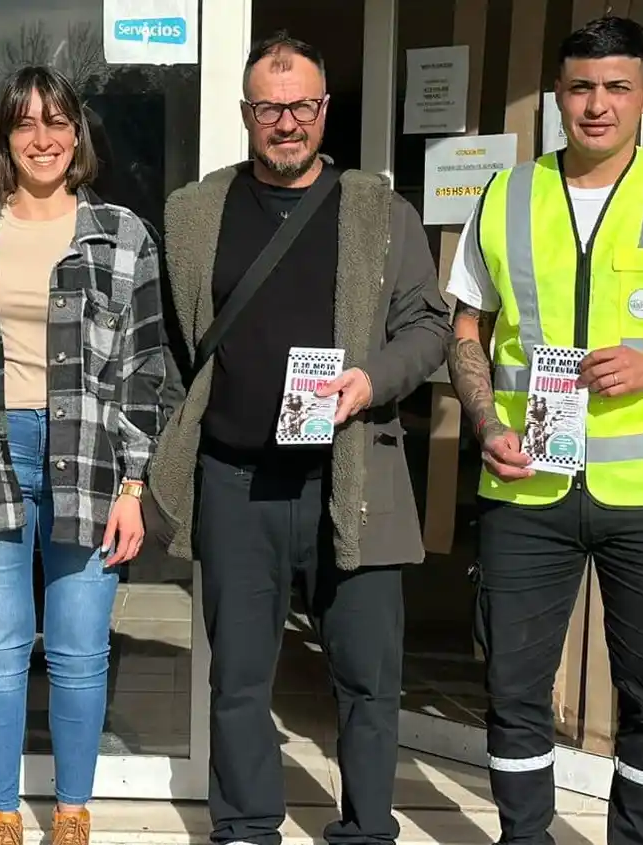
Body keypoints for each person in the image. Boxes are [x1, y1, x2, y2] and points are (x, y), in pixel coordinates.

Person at [444, 16, 643, 845]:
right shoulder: (506, 194)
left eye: (617, 87)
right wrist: (486, 422)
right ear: (558, 95)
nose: (598, 105)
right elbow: (465, 329)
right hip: (527, 486)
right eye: (582, 87)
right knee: (513, 692)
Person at [145, 32, 451, 845]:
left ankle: (367, 828)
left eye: (303, 106)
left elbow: (430, 326)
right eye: (270, 108)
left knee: (367, 678)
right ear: (246, 113)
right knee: (240, 679)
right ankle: (246, 825)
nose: (287, 123)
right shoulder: (192, 212)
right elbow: (177, 346)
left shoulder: (381, 212)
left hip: (352, 475)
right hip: (237, 479)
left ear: (325, 110)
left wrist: (372, 380)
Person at [0, 65, 165, 845]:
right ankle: (1, 814)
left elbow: (145, 369)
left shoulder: (123, 235)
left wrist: (135, 482)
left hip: (90, 458)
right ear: (4, 137)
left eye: (58, 121)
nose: (44, 138)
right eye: (26, 123)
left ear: (78, 134)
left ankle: (71, 811)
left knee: (77, 649)